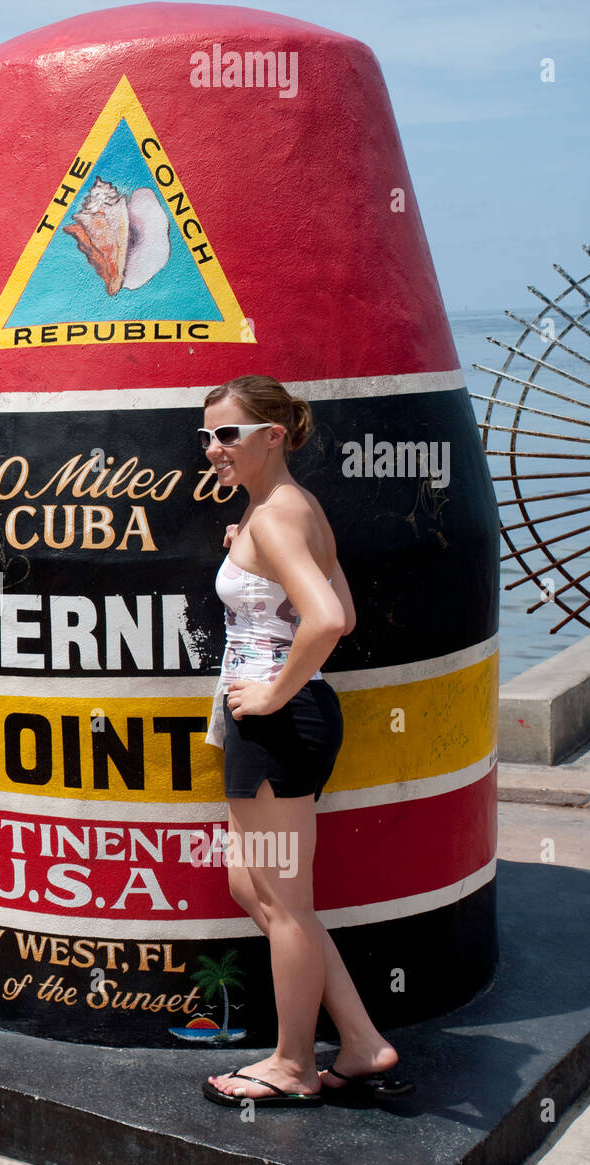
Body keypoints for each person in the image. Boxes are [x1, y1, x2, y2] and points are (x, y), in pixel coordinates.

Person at [197, 375, 411, 1107]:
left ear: (271, 436)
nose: (213, 449)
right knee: (251, 885)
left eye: (227, 434)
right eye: (207, 436)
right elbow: (341, 603)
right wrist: (249, 553)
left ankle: (291, 1065)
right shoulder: (291, 512)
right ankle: (359, 1041)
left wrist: (270, 693)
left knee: (284, 904)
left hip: (278, 726)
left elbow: (326, 621)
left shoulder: (277, 517)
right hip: (282, 725)